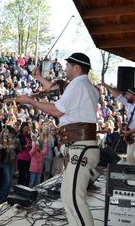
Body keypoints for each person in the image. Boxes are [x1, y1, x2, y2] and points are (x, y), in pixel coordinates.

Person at [16, 53, 100, 226]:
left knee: (74, 199)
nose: (65, 68)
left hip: (80, 147)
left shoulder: (77, 85)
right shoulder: (85, 86)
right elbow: (55, 89)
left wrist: (32, 102)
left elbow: (57, 110)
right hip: (81, 146)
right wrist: (39, 77)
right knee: (69, 196)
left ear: (76, 68)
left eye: (68, 65)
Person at [102, 83, 135, 165]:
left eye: (128, 94)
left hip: (132, 134)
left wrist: (128, 132)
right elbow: (118, 95)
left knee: (132, 158)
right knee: (131, 159)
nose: (126, 96)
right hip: (132, 137)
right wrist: (106, 86)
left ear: (134, 95)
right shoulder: (129, 104)